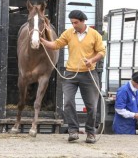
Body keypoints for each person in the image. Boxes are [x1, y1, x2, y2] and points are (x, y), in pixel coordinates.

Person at [40, 10, 106, 144]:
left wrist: (92, 60)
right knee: (68, 102)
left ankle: (90, 132)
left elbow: (101, 52)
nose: (74, 25)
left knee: (92, 106)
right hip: (70, 74)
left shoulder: (95, 35)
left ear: (83, 21)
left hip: (89, 74)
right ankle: (73, 131)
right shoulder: (69, 33)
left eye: (76, 23)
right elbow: (56, 44)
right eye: (72, 23)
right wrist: (41, 40)